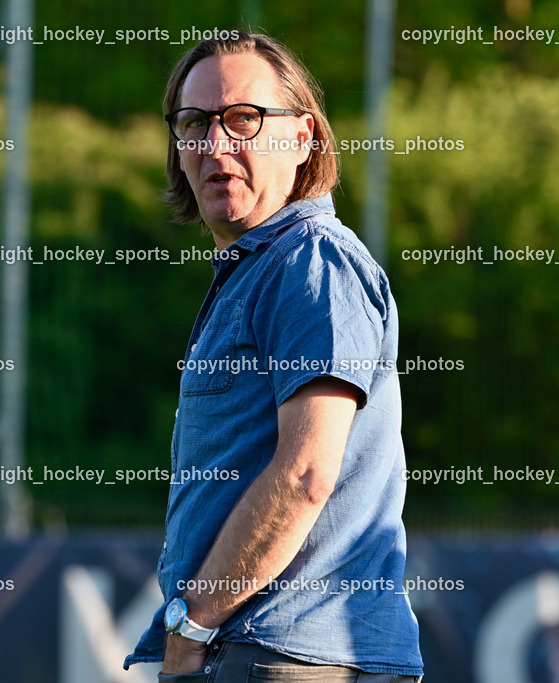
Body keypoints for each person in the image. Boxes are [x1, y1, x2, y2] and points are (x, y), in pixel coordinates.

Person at [125, 30, 424, 682]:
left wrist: (193, 622)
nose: (215, 143)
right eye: (195, 122)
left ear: (302, 137)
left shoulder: (311, 262)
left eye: (244, 119)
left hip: (285, 655)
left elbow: (305, 473)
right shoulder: (260, 269)